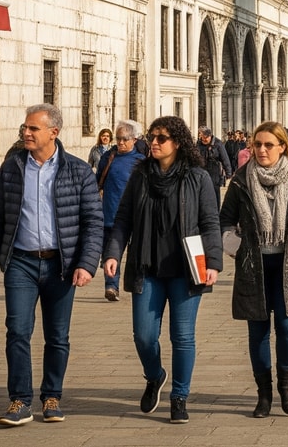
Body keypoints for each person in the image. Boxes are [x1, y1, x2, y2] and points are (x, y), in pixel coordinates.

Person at [0, 104, 103, 427]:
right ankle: (19, 400)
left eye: (33, 128)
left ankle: (52, 395)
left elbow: (93, 221)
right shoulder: (11, 168)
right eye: (25, 127)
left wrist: (87, 264)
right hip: (20, 261)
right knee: (17, 331)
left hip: (61, 265)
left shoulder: (78, 171)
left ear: (54, 132)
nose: (26, 133)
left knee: (57, 336)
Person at [103, 116, 223, 425]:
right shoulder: (140, 176)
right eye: (152, 137)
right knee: (144, 336)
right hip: (147, 266)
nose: (153, 142)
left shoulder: (198, 178)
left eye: (161, 138)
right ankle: (155, 376)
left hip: (187, 268)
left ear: (178, 143)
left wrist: (214, 262)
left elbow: (210, 222)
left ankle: (179, 396)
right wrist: (114, 252)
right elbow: (123, 218)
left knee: (182, 337)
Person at [219, 121, 288, 417]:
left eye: (268, 145)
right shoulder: (241, 180)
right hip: (254, 264)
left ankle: (286, 385)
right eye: (257, 145)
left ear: (281, 148)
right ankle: (263, 394)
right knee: (258, 331)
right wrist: (235, 248)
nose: (261, 150)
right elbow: (225, 219)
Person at [97, 119, 145, 301]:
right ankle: (111, 285)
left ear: (134, 139)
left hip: (135, 216)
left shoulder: (141, 161)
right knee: (110, 252)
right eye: (118, 139)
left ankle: (138, 284)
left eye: (125, 139)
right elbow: (98, 179)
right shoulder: (109, 158)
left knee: (137, 252)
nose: (121, 143)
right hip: (111, 214)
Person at [198, 126, 232, 194]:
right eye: (202, 138)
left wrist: (228, 173)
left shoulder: (218, 144)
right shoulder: (199, 144)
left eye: (205, 138)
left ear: (209, 136)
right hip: (202, 173)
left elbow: (225, 159)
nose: (203, 140)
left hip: (214, 174)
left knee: (214, 194)